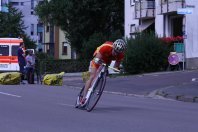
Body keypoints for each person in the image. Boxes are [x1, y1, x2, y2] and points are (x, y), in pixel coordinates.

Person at [81, 39, 127, 104]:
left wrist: (118, 69)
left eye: (117, 53)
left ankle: (93, 87)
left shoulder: (120, 55)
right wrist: (98, 63)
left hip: (107, 60)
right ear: (113, 47)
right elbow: (97, 59)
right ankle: (83, 96)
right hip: (99, 56)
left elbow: (115, 68)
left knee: (99, 74)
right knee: (92, 76)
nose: (115, 53)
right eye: (115, 51)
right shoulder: (106, 46)